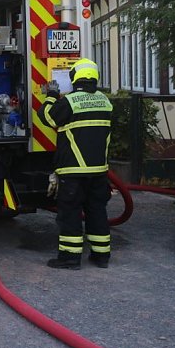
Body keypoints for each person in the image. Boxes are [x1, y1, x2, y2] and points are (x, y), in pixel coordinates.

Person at [39, 58, 114, 270]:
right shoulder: (105, 101)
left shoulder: (70, 102)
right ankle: (101, 256)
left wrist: (51, 95)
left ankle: (69, 258)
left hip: (73, 170)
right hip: (99, 170)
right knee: (97, 211)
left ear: (74, 78)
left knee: (70, 213)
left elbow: (47, 117)